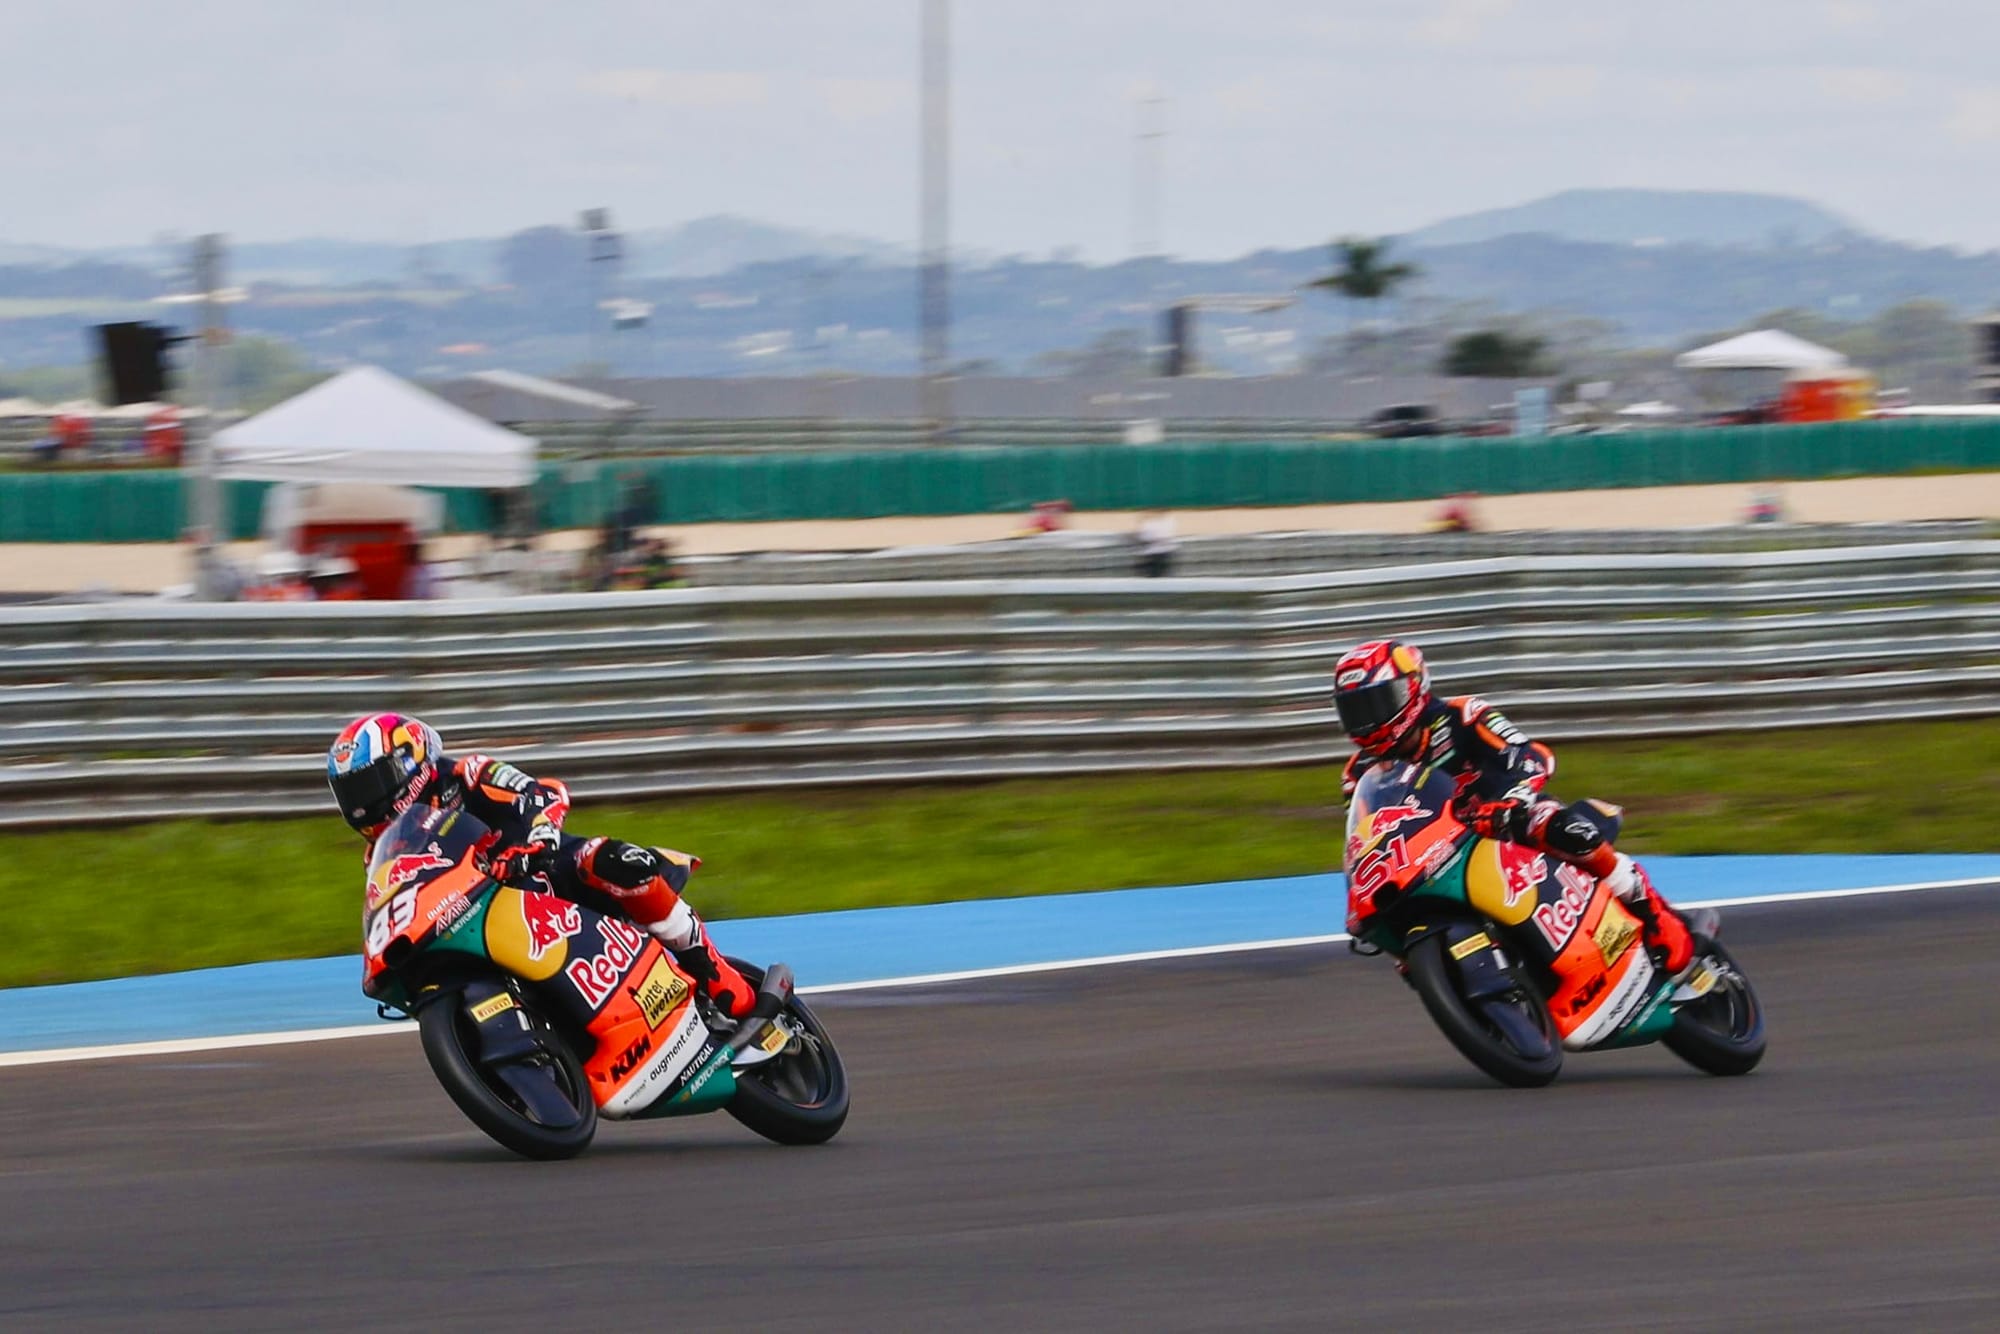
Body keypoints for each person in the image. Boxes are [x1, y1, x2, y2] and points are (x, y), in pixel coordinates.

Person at [326, 712, 754, 1017]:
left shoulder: (468, 774)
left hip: (544, 872)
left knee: (613, 861)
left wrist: (537, 839)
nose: (362, 805)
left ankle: (715, 973)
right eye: (350, 793)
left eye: (369, 785)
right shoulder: (385, 850)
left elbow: (541, 793)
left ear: (409, 761)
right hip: (488, 914)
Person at [1332, 639, 1716, 973]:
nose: (1370, 720)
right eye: (1356, 710)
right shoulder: (1359, 774)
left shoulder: (1463, 716)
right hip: (1437, 852)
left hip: (1504, 820)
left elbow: (1529, 756)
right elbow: (1368, 834)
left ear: (1412, 688)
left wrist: (1512, 802)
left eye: (1377, 702)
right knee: (1394, 933)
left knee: (1555, 825)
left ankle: (1656, 915)